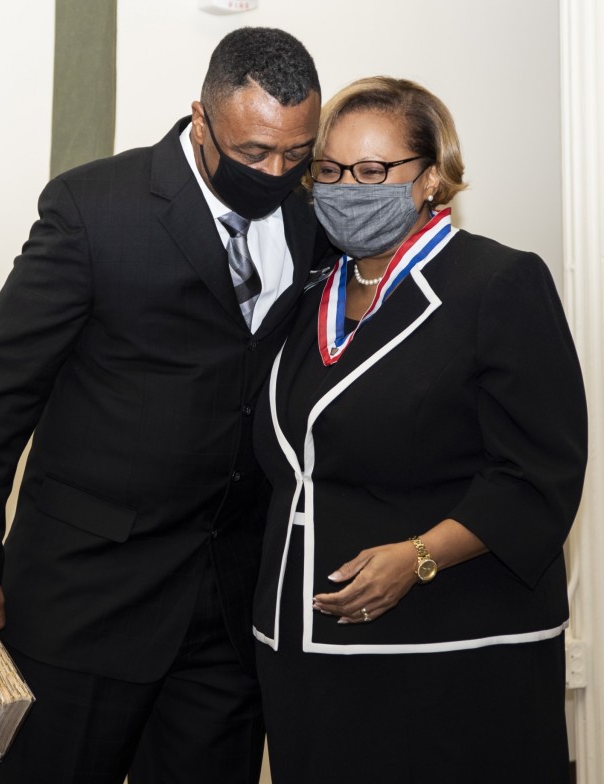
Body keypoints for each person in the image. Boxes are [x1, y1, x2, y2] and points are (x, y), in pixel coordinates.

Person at [0, 27, 324, 784]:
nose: (277, 172)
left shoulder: (308, 217)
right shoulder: (94, 209)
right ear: (201, 120)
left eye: (296, 154)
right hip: (85, 601)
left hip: (229, 612)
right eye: (255, 153)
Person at [252, 76, 587, 784]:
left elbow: (538, 474)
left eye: (374, 172)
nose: (349, 188)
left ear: (432, 177)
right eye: (332, 171)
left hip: (455, 652)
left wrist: (420, 556)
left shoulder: (498, 283)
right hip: (306, 654)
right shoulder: (307, 293)